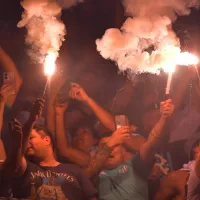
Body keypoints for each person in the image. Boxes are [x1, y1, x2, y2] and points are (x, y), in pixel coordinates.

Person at [10, 98, 97, 200]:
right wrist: (31, 120)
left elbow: (92, 197)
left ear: (47, 140)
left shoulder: (75, 170)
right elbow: (18, 155)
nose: (27, 142)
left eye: (31, 138)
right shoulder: (25, 168)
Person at [98, 99, 174, 200]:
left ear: (124, 150)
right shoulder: (93, 170)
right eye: (105, 146)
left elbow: (150, 143)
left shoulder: (134, 165)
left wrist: (163, 118)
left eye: (114, 145)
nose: (110, 149)